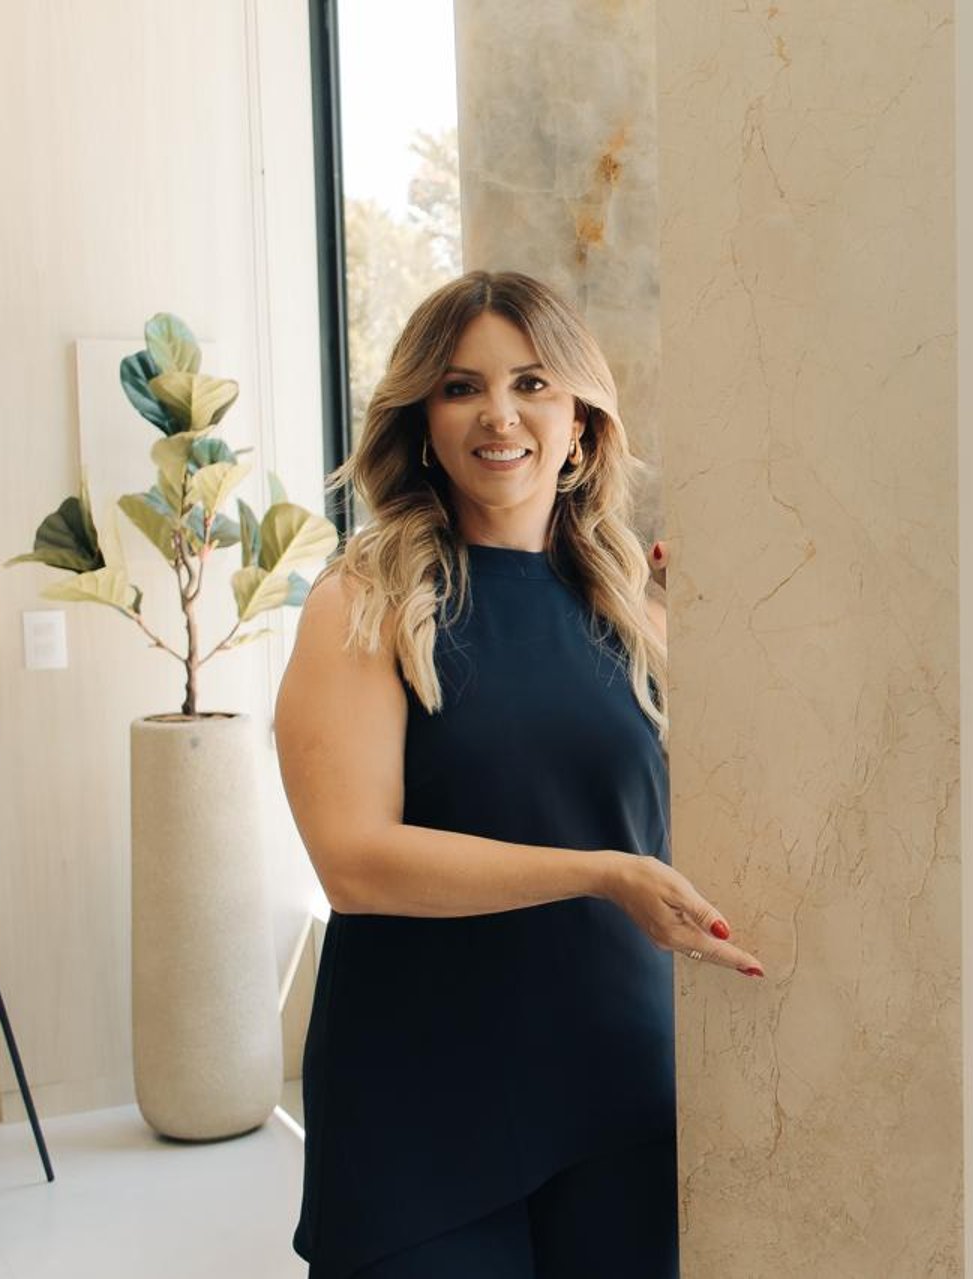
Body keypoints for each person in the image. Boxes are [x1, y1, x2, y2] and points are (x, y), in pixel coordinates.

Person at [273, 270, 764, 1278]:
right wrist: (599, 871)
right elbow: (353, 862)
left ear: (582, 424)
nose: (499, 414)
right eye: (460, 387)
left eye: (532, 383)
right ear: (424, 423)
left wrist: (734, 617)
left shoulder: (635, 605)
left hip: (622, 1089)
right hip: (421, 1103)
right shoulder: (366, 597)